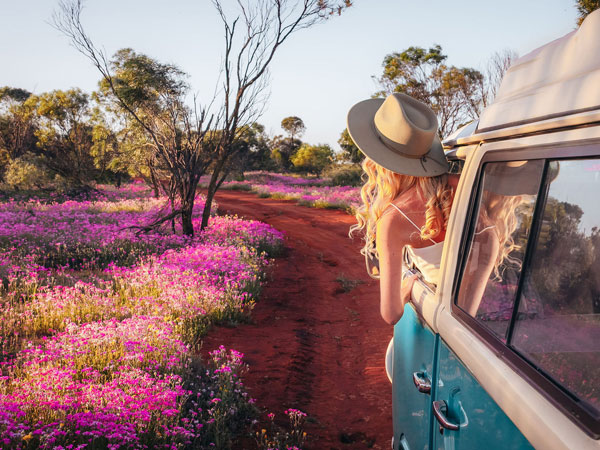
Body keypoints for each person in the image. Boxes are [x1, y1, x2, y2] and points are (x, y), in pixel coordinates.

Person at [347, 92, 458, 325]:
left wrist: (408, 288)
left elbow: (391, 313)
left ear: (380, 161)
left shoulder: (394, 218)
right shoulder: (462, 185)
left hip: (441, 322)